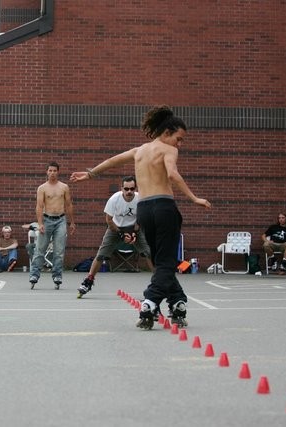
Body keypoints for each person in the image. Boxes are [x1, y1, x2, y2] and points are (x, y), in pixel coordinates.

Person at [70, 106, 211, 328]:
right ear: (167, 132)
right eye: (179, 138)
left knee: (159, 260)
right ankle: (150, 301)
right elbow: (172, 174)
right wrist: (194, 198)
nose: (179, 144)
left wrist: (90, 174)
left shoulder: (139, 151)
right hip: (164, 207)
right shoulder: (168, 150)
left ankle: (178, 301)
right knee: (165, 261)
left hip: (144, 209)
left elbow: (112, 161)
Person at [77, 176, 154, 296]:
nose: (129, 191)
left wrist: (134, 233)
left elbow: (141, 218)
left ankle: (158, 282)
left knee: (148, 252)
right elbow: (108, 220)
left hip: (134, 227)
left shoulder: (140, 199)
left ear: (135, 188)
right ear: (122, 188)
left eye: (132, 189)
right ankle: (88, 281)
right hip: (115, 227)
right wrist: (121, 234)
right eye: (126, 189)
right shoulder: (115, 199)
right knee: (101, 255)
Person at [29, 161, 76, 289]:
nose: (52, 173)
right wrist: (40, 223)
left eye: (54, 170)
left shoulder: (64, 187)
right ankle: (34, 274)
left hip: (61, 220)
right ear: (47, 172)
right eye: (50, 170)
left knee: (59, 251)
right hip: (46, 219)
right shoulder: (42, 188)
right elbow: (39, 206)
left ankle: (57, 275)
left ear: (58, 172)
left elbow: (68, 204)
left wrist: (72, 222)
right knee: (40, 249)